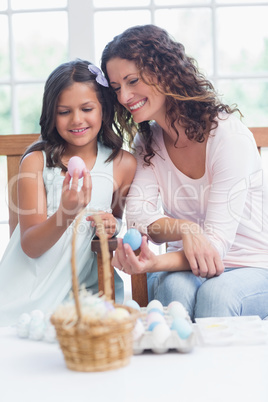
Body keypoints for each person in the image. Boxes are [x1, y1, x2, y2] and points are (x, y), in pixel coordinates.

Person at [101, 24, 268, 321]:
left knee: (217, 295)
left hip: (252, 266)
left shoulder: (227, 136)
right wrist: (184, 228)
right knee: (176, 291)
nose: (125, 96)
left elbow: (215, 245)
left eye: (132, 81)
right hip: (185, 265)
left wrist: (149, 265)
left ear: (164, 72)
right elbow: (140, 218)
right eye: (117, 88)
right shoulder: (147, 142)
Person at [0, 59, 136, 326]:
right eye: (64, 111)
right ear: (51, 113)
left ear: (104, 110)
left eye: (87, 108)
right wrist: (66, 213)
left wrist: (113, 225)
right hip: (28, 290)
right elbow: (30, 246)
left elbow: (115, 221)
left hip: (82, 292)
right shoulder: (36, 163)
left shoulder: (122, 165)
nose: (77, 120)